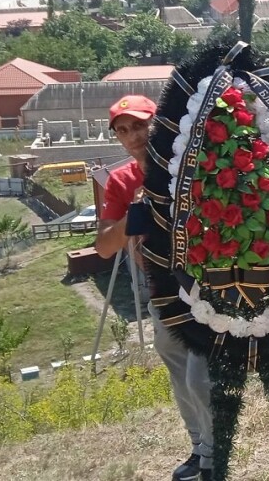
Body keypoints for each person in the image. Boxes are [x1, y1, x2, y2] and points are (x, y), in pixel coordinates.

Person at [95, 95, 213, 481]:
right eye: (124, 130)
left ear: (157, 123)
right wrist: (133, 215)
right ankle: (199, 447)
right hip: (160, 290)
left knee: (199, 375)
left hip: (205, 285)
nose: (134, 135)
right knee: (178, 369)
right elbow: (104, 247)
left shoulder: (189, 166)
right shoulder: (122, 182)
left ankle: (214, 455)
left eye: (140, 125)